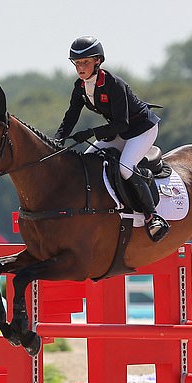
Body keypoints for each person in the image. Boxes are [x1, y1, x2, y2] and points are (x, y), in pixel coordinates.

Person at [54, 35, 169, 242]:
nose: (81, 68)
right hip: (119, 131)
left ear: (98, 61)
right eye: (77, 63)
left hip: (141, 129)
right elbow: (71, 115)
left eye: (85, 62)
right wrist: (57, 139)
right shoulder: (79, 87)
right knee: (88, 163)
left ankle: (153, 216)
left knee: (125, 167)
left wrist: (91, 133)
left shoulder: (113, 84)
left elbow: (122, 124)